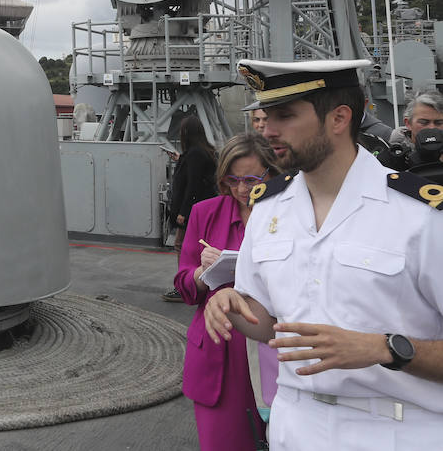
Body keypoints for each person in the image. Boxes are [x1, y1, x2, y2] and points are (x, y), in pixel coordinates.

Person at [205, 58, 443, 449]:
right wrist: (233, 306)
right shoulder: (267, 210)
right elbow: (269, 325)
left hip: (398, 429)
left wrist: (382, 349)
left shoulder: (421, 215)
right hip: (294, 427)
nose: (269, 130)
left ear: (339, 118)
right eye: (265, 116)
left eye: (284, 116)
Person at [176, 133, 279, 449]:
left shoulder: (286, 213)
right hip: (219, 350)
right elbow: (185, 288)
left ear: (272, 175)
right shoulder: (205, 213)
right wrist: (202, 272)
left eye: (251, 179)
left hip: (269, 344)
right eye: (233, 180)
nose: (242, 189)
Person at [163, 114, 219, 302]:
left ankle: (184, 286)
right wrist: (181, 159)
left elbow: (193, 184)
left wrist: (183, 212)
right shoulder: (202, 152)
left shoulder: (194, 154)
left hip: (192, 210)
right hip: (202, 208)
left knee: (182, 246)